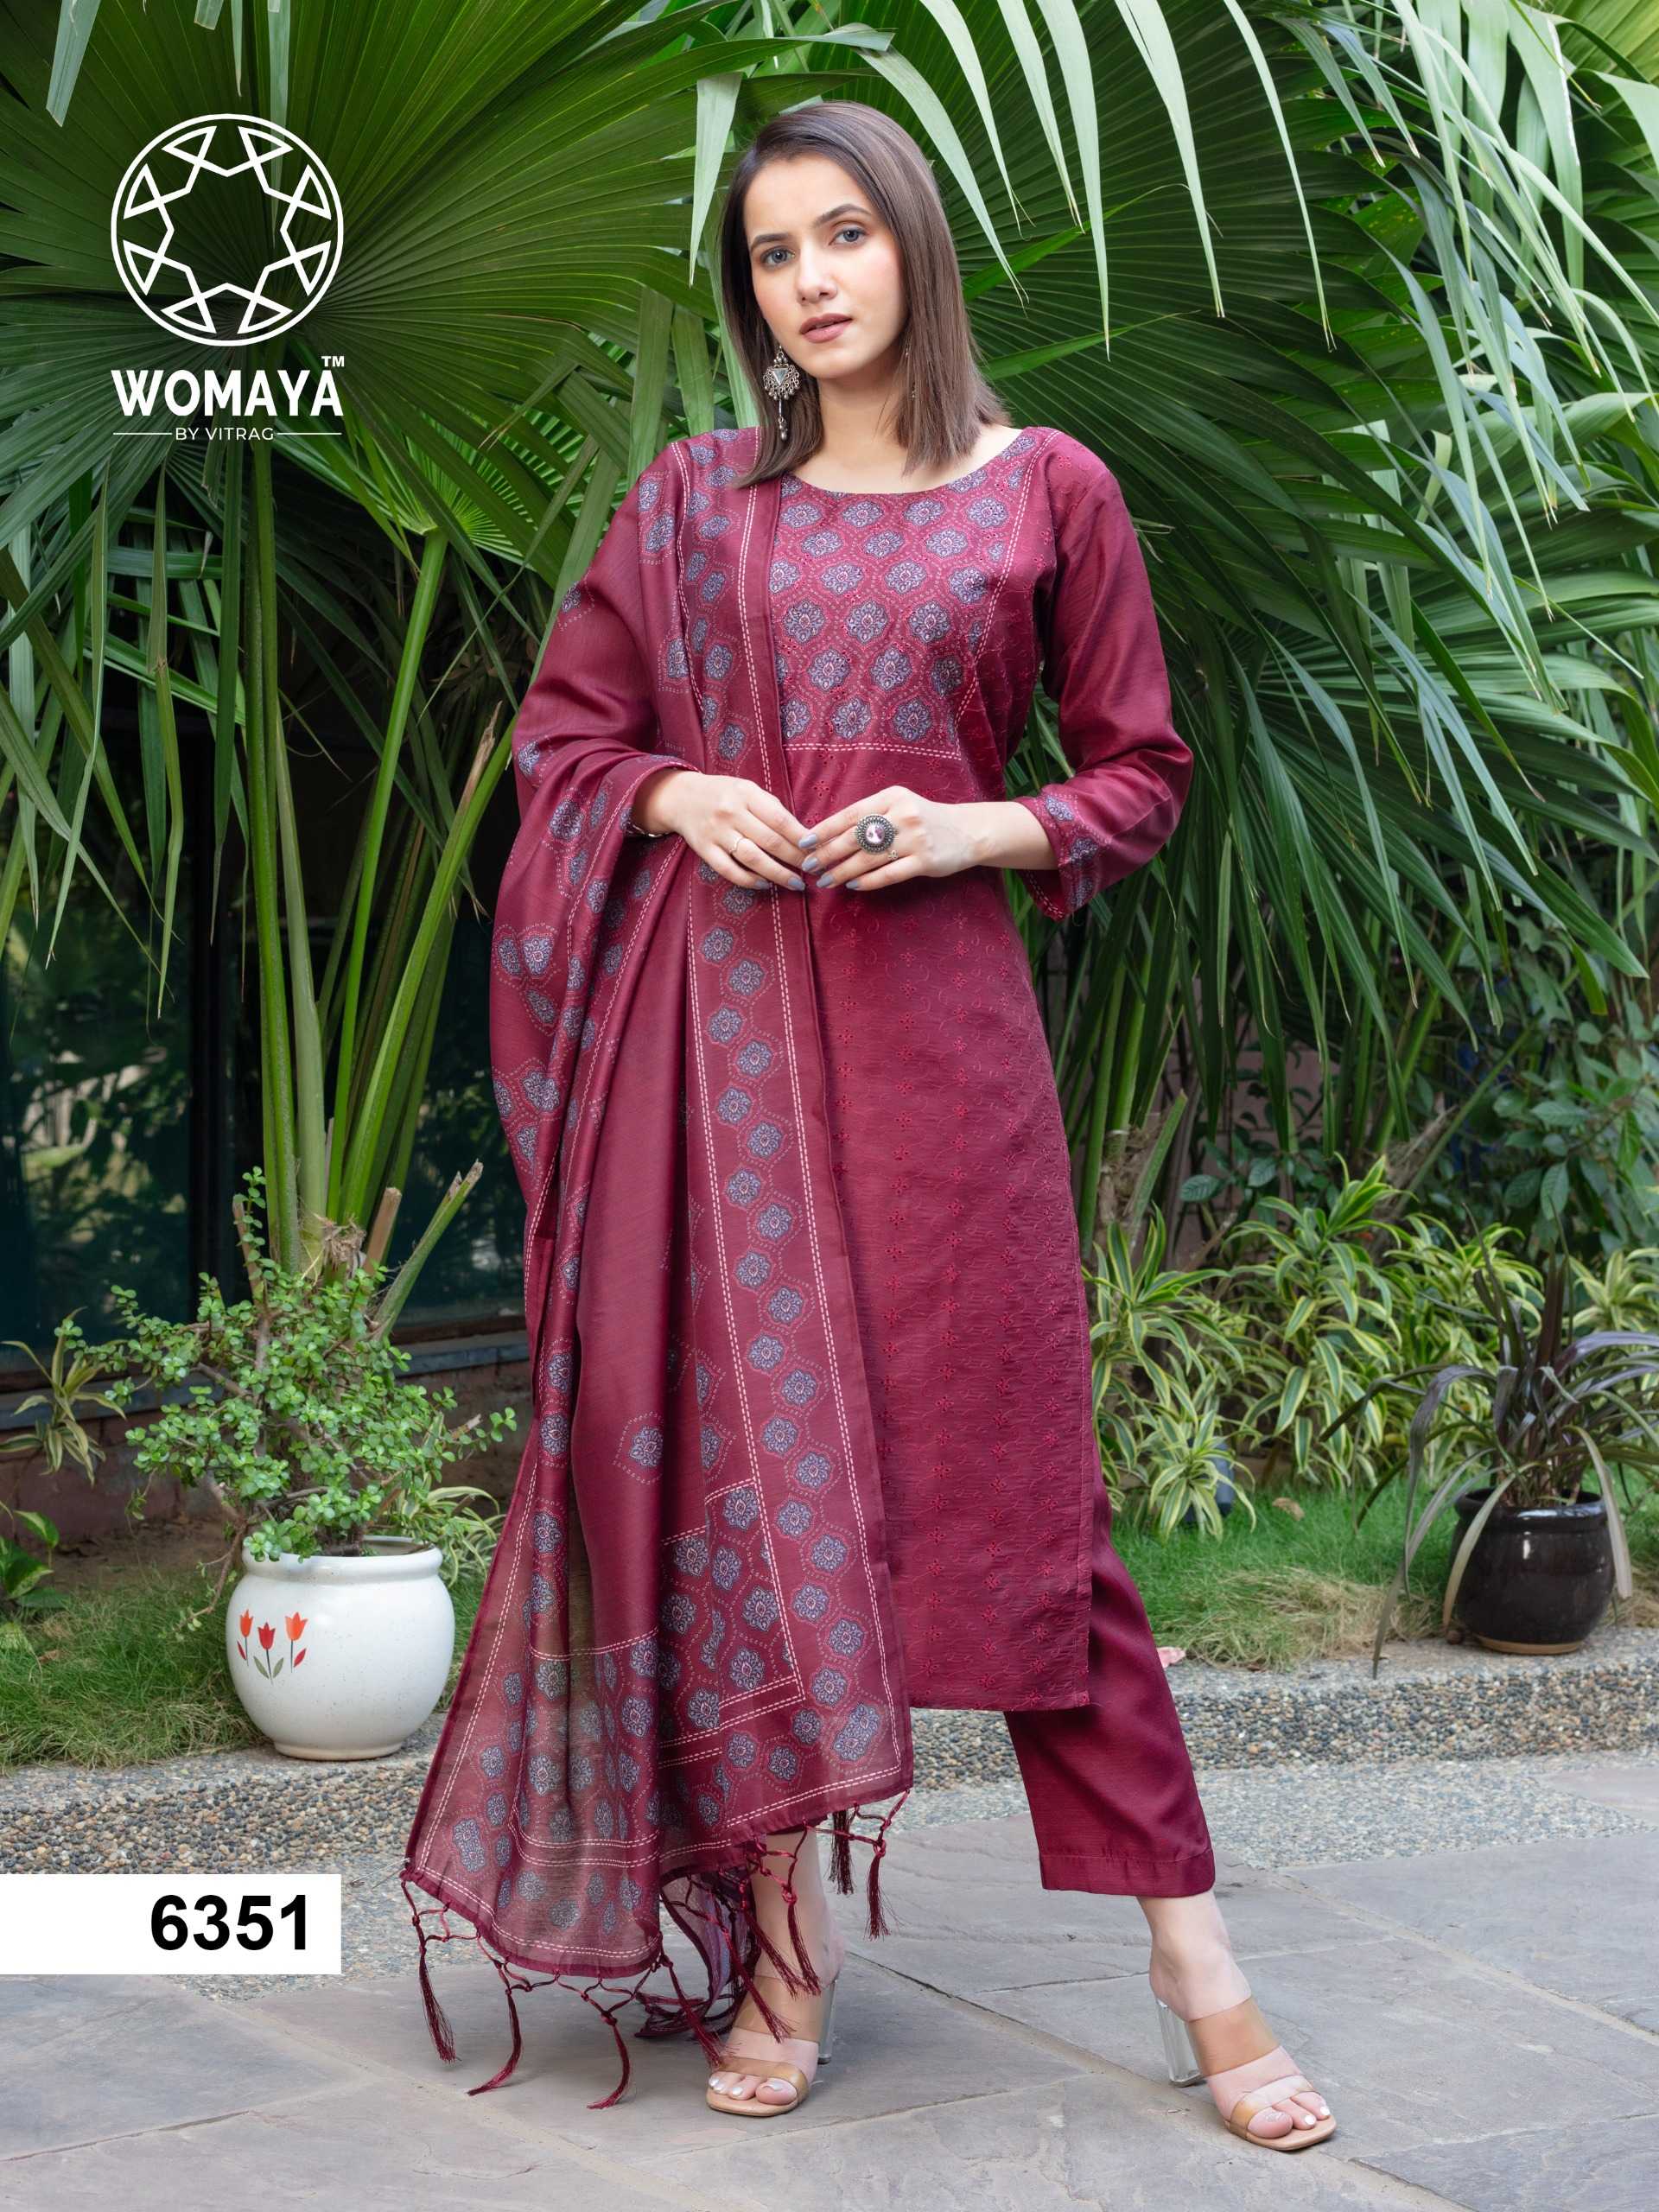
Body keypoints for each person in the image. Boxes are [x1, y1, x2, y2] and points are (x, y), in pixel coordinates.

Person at [401, 100, 1334, 2155]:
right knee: (755, 1501)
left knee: (1033, 1515)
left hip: (940, 1065)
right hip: (721, 1070)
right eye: (772, 253)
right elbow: (570, 732)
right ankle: (786, 1956)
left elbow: (1140, 772)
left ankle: (1198, 1964)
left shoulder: (1049, 491)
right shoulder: (692, 502)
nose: (811, 281)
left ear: (913, 244)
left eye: (844, 234)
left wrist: (972, 824)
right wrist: (673, 793)